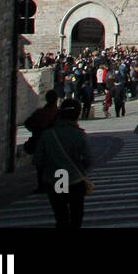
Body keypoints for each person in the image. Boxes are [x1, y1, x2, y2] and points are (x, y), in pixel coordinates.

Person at [40, 100, 92, 228]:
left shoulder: (48, 134)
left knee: (61, 214)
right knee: (76, 213)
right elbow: (89, 160)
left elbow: (38, 159)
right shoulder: (79, 134)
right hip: (75, 179)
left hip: (56, 178)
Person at [24, 90, 60, 193]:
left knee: (41, 166)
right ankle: (59, 186)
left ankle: (42, 186)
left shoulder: (40, 112)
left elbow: (28, 123)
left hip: (40, 142)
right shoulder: (59, 114)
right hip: (55, 144)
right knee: (57, 164)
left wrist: (37, 131)